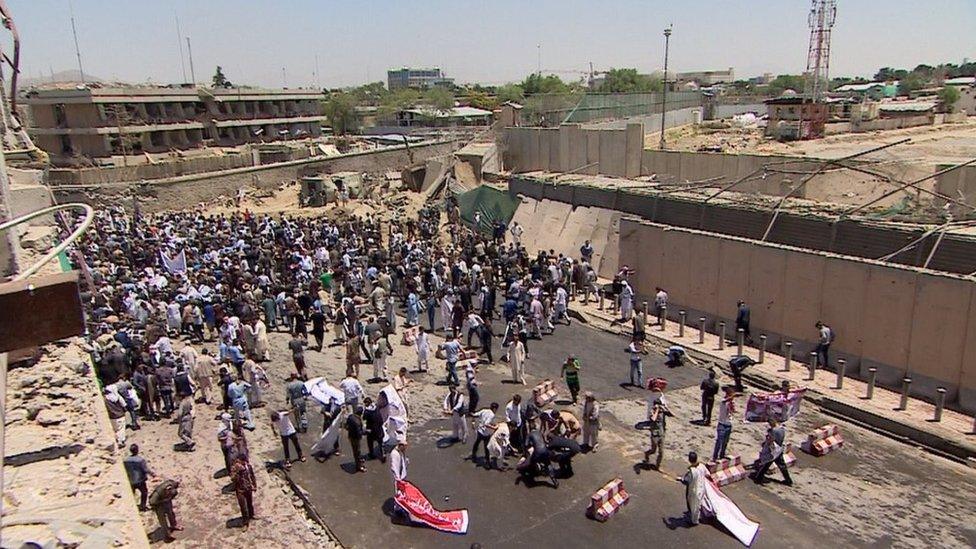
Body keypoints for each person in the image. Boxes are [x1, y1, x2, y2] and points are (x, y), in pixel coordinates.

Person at [752, 418, 793, 486]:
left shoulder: (773, 431)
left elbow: (771, 440)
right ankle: (788, 480)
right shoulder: (782, 429)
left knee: (766, 464)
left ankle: (758, 478)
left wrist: (766, 442)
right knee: (782, 466)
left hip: (772, 450)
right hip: (779, 449)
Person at [678, 451, 709, 526]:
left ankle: (694, 521)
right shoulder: (702, 466)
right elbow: (707, 474)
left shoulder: (691, 471)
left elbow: (686, 480)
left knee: (693, 506)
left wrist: (680, 479)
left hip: (694, 490)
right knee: (698, 505)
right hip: (702, 488)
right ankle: (695, 516)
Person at [148, 478, 181, 542]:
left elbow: (173, 494)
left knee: (171, 513)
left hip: (166, 501)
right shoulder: (158, 492)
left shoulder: (173, 485)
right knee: (163, 522)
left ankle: (174, 525)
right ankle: (167, 536)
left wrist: (168, 498)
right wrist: (162, 501)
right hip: (158, 505)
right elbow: (152, 502)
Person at [123, 444, 154, 510]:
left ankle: (130, 506)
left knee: (131, 494)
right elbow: (145, 469)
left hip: (130, 480)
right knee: (144, 492)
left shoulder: (125, 460)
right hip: (140, 480)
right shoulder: (140, 460)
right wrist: (152, 474)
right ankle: (142, 506)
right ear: (137, 450)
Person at [230, 453, 257, 528]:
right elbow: (232, 479)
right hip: (240, 490)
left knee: (250, 503)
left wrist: (254, 485)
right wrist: (238, 472)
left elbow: (252, 476)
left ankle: (251, 516)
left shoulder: (248, 466)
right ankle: (245, 522)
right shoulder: (235, 468)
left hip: (248, 488)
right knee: (243, 506)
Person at [470, 402, 499, 468]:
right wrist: (494, 428)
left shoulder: (484, 410)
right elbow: (486, 423)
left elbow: (474, 415)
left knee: (477, 443)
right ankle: (487, 462)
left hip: (480, 431)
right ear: (494, 409)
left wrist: (473, 422)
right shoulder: (492, 414)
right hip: (486, 433)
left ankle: (473, 455)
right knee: (486, 448)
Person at [713, 385, 737, 460]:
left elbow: (733, 411)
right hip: (722, 425)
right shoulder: (723, 401)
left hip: (728, 424)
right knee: (719, 442)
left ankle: (722, 455)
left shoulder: (731, 403)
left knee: (725, 442)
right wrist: (732, 396)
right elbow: (725, 400)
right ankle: (715, 457)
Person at [644, 397, 667, 469]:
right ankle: (647, 454)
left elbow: (672, 414)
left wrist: (665, 408)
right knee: (653, 450)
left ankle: (658, 465)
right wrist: (656, 410)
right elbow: (653, 419)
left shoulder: (662, 412)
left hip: (661, 433)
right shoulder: (652, 412)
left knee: (661, 452)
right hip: (655, 435)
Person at [363, 396, 386, 462]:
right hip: (379, 428)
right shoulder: (376, 408)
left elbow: (364, 418)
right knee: (381, 442)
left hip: (371, 429)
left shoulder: (367, 411)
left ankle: (371, 454)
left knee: (370, 442)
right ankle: (383, 454)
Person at [346, 405, 367, 473]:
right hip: (355, 438)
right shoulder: (357, 422)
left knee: (357, 451)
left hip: (351, 436)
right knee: (357, 452)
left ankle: (359, 460)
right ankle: (359, 466)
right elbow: (359, 433)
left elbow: (347, 425)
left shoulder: (351, 416)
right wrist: (365, 431)